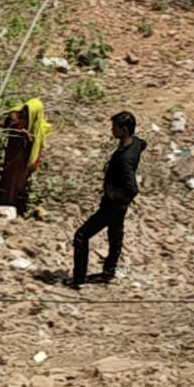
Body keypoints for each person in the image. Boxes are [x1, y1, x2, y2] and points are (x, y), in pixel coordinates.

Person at [72, 111, 147, 288]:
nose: (111, 130)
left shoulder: (125, 158)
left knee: (81, 236)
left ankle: (78, 279)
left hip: (113, 205)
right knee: (115, 236)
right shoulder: (135, 144)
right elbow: (143, 144)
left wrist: (114, 198)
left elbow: (132, 189)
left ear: (124, 129)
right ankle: (108, 271)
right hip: (118, 205)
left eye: (114, 127)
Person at [0, 99, 52, 217]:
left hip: (23, 160)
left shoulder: (38, 127)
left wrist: (29, 138)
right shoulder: (17, 117)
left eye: (28, 112)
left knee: (18, 182)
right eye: (25, 110)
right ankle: (4, 203)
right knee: (8, 180)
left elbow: (37, 146)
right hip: (12, 157)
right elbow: (9, 124)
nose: (25, 113)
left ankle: (15, 206)